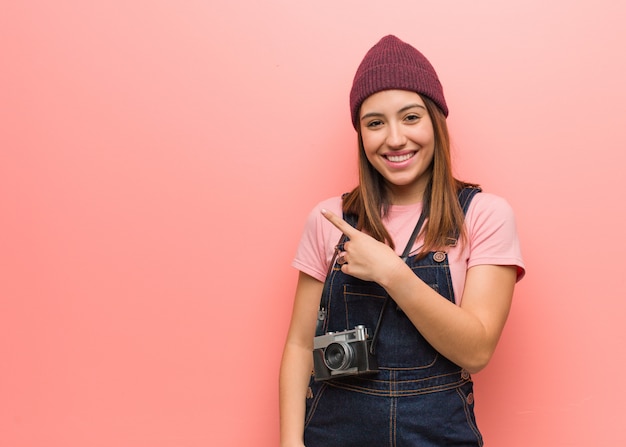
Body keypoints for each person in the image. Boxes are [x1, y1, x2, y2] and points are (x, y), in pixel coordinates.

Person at [279, 35, 525, 447]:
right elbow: (300, 345)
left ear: (435, 120)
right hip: (332, 434)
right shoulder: (330, 220)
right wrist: (290, 443)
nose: (394, 138)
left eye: (410, 117)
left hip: (438, 435)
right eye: (375, 123)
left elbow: (477, 351)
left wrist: (392, 272)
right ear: (361, 135)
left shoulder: (484, 215)